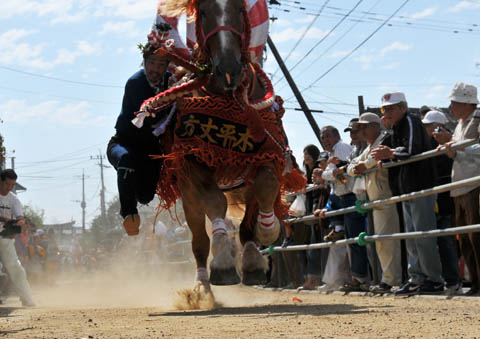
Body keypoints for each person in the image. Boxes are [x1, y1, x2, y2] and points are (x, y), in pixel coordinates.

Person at [371, 92, 443, 295]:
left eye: (392, 108)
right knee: (411, 237)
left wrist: (390, 153)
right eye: (385, 109)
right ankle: (417, 278)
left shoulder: (410, 121)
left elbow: (412, 149)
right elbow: (393, 150)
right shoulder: (395, 127)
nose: (388, 112)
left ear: (403, 107)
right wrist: (385, 155)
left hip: (420, 186)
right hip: (407, 188)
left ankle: (434, 279)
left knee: (423, 235)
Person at [107, 42, 171, 236]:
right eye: (152, 63)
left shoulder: (172, 81)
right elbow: (150, 116)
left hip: (150, 150)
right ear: (144, 63)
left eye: (161, 65)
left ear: (167, 67)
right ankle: (128, 213)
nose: (156, 69)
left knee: (145, 196)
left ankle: (136, 193)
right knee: (127, 161)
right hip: (124, 143)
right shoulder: (136, 82)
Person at [347, 113, 402, 293]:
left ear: (375, 126)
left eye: (364, 127)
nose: (360, 131)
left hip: (386, 195)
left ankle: (391, 279)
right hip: (376, 197)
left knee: (387, 240)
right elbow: (352, 165)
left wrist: (364, 165)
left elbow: (371, 160)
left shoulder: (384, 138)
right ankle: (388, 278)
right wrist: (360, 166)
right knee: (381, 241)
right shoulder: (369, 146)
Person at [315, 126, 369, 292]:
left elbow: (342, 173)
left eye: (328, 136)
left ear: (336, 136)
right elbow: (335, 174)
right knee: (349, 241)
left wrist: (322, 175)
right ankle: (355, 278)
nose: (325, 140)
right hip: (342, 198)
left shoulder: (341, 148)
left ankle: (361, 278)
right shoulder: (333, 152)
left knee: (355, 240)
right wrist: (328, 174)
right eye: (322, 137)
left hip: (351, 196)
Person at [444, 82, 480, 296]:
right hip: (461, 184)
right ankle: (475, 281)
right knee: (465, 239)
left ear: (465, 102)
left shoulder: (477, 120)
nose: (450, 107)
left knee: (476, 236)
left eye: (454, 102)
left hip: (475, 183)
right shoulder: (459, 124)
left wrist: (455, 147)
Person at [422, 110, 462, 295]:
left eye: (429, 126)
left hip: (445, 197)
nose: (427, 129)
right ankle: (448, 279)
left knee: (445, 239)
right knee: (439, 240)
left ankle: (453, 280)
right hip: (437, 195)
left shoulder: (446, 142)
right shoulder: (429, 144)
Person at [0, 169, 35, 307]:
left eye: (12, 185)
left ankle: (27, 299)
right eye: (7, 184)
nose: (9, 188)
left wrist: (19, 222)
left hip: (5, 237)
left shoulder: (13, 199)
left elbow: (20, 216)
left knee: (16, 268)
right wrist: (7, 220)